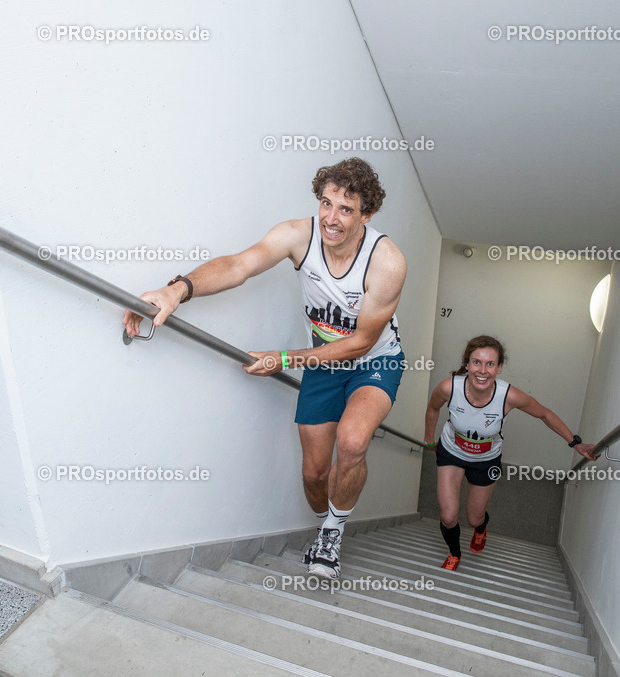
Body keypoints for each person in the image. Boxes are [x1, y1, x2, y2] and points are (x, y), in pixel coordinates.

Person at [122, 157, 407, 580]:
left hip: (374, 361)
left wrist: (284, 359)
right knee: (313, 475)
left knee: (351, 441)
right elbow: (239, 265)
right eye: (326, 203)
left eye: (346, 209)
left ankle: (332, 532)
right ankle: (326, 517)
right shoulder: (297, 235)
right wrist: (177, 290)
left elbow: (361, 342)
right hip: (323, 361)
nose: (331, 218)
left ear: (367, 214)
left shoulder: (387, 263)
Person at [422, 335, 596, 570]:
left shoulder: (509, 396)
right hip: (452, 453)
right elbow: (433, 409)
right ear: (466, 364)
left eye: (490, 364)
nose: (482, 370)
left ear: (499, 367)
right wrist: (429, 439)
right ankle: (454, 553)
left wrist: (575, 443)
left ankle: (481, 529)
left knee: (474, 517)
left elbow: (544, 414)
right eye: (476, 362)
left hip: (486, 460)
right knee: (449, 516)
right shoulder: (448, 387)